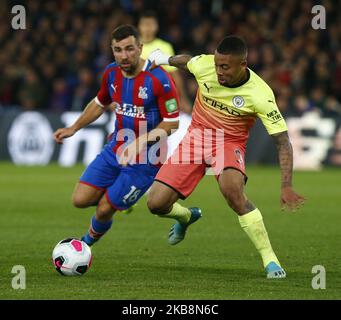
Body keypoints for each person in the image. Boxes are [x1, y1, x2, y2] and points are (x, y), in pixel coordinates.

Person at [146, 36, 305, 279]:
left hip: (228, 143)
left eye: (225, 67)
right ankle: (187, 216)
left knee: (233, 191)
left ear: (243, 65)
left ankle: (269, 259)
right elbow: (187, 61)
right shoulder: (205, 65)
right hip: (196, 138)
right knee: (155, 204)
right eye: (217, 64)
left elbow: (282, 141)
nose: (218, 71)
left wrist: (286, 185)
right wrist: (162, 59)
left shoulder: (260, 94)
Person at [53, 25, 179, 246]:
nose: (124, 55)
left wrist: (140, 141)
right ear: (112, 51)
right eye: (118, 50)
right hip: (116, 148)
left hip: (147, 158)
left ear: (140, 48)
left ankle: (83, 246)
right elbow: (100, 103)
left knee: (103, 210)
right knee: (80, 200)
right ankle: (121, 199)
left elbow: (172, 122)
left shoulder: (160, 79)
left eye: (130, 49)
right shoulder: (111, 73)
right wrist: (74, 128)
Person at [138, 10, 192, 115]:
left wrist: (183, 98)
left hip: (160, 97)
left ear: (156, 26)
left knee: (163, 128)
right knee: (140, 128)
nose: (148, 28)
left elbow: (174, 75)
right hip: (137, 97)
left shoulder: (165, 46)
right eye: (145, 24)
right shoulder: (132, 46)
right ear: (139, 26)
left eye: (151, 24)